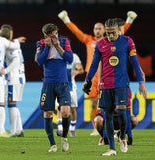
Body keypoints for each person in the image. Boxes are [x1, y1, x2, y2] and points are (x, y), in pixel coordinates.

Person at [58, 10, 137, 136]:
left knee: (110, 104)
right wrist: (66, 19)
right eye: (95, 28)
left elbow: (121, 34)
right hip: (93, 75)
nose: (97, 31)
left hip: (107, 74)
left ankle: (115, 129)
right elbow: (76, 32)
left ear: (104, 30)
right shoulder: (89, 40)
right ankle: (96, 127)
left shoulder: (109, 41)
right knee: (94, 103)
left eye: (99, 28)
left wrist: (129, 21)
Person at [82, 18, 147, 156]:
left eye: (113, 33)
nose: (110, 36)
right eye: (108, 33)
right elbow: (94, 65)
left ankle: (122, 136)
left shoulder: (127, 41)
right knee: (108, 116)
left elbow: (135, 62)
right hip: (105, 85)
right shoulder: (100, 44)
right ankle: (111, 148)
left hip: (122, 84)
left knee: (123, 113)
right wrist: (87, 81)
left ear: (119, 30)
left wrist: (141, 82)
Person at [35, 23, 73, 152]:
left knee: (66, 111)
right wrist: (47, 46)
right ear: (45, 35)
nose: (54, 37)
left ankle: (64, 137)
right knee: (48, 112)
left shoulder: (64, 41)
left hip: (62, 82)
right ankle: (52, 144)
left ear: (57, 32)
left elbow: (69, 59)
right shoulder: (40, 43)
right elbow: (40, 61)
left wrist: (57, 46)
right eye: (50, 36)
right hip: (48, 83)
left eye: (55, 34)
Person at [0, 24, 26, 137]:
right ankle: (19, 130)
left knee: (11, 105)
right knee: (13, 104)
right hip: (19, 78)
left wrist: (5, 70)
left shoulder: (11, 48)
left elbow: (16, 61)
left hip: (14, 79)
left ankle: (14, 131)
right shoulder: (14, 45)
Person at [57, 52, 84, 137]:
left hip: (71, 86)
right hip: (59, 85)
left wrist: (77, 71)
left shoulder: (74, 56)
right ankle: (60, 128)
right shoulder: (55, 55)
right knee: (59, 107)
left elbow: (81, 69)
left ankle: (72, 128)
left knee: (72, 108)